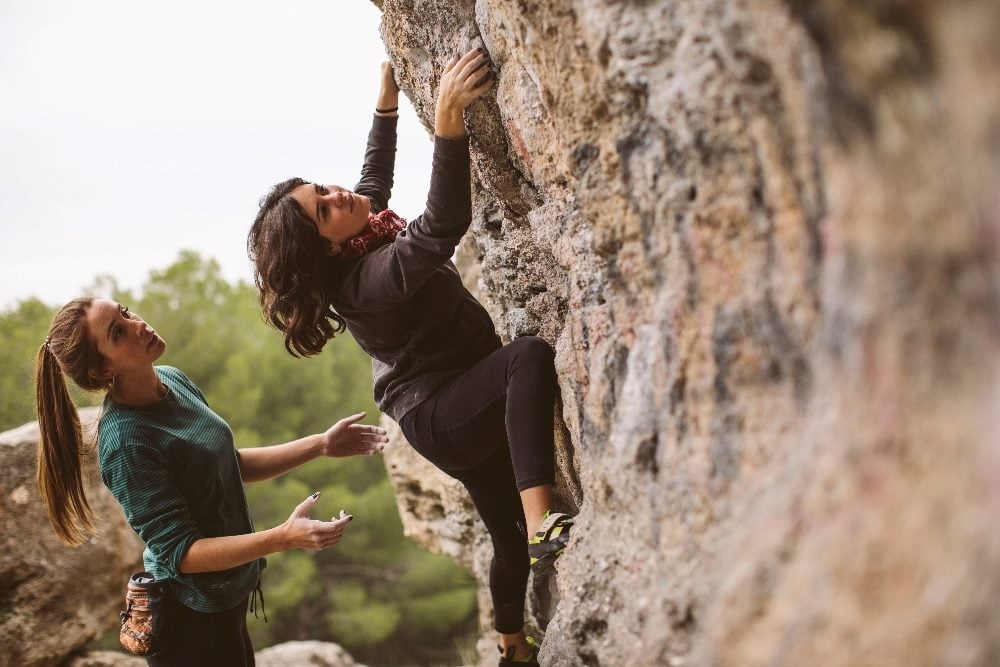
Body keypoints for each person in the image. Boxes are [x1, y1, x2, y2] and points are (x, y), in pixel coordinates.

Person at [247, 48, 573, 665]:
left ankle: (510, 645)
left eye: (321, 188)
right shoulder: (366, 281)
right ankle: (543, 528)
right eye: (323, 209)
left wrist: (387, 97)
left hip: (455, 398)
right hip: (439, 413)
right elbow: (442, 224)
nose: (338, 195)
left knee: (500, 538)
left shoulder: (359, 231)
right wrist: (447, 120)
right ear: (326, 249)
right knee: (527, 356)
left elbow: (370, 181)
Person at [35, 297, 388, 666]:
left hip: (226, 601)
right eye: (118, 332)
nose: (137, 324)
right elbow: (182, 555)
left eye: (125, 311)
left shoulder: (171, 379)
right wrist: (283, 537)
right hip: (191, 623)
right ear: (101, 371)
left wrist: (320, 445)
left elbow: (226, 465)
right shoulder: (126, 443)